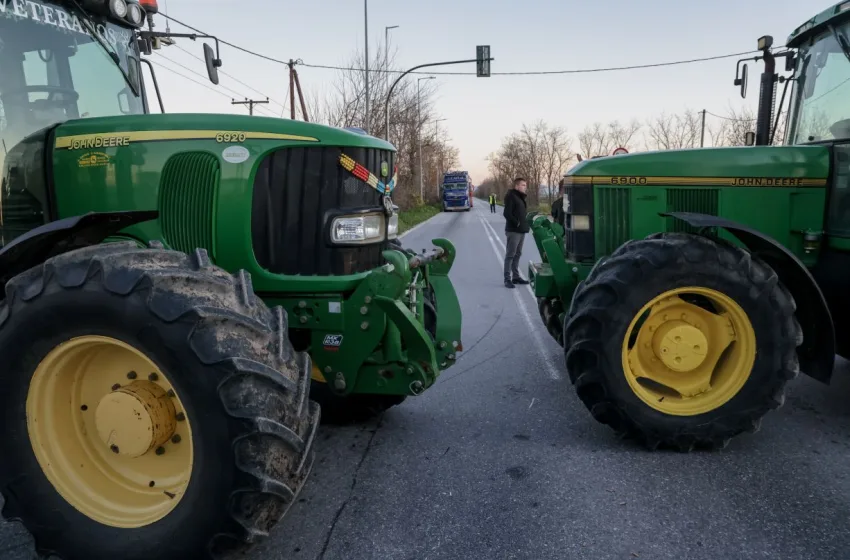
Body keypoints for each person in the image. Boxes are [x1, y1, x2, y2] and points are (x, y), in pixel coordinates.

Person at [502, 177, 530, 289]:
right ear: (517, 186)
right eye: (523, 185)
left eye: (525, 185)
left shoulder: (520, 197)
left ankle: (516, 277)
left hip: (521, 230)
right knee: (510, 255)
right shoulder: (511, 196)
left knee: (518, 254)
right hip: (513, 231)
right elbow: (507, 213)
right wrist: (517, 223)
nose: (525, 187)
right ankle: (507, 279)